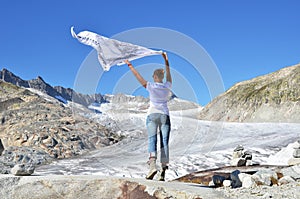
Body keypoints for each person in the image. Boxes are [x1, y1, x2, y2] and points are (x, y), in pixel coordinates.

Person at [124, 52, 172, 181]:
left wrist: (130, 65)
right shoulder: (167, 86)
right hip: (164, 116)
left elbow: (137, 76)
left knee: (152, 140)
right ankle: (163, 171)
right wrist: (166, 61)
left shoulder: (150, 86)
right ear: (162, 76)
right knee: (164, 144)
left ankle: (152, 167)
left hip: (152, 115)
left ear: (155, 76)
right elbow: (169, 73)